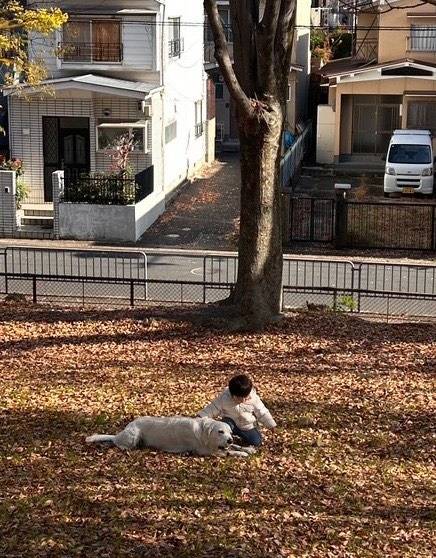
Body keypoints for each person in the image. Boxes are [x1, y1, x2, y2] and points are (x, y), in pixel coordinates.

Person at [197, 374, 276, 447]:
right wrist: (201, 416)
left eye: (246, 397)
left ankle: (240, 436)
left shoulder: (254, 399)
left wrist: (271, 424)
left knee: (256, 441)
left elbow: (262, 412)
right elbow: (213, 407)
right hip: (230, 423)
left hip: (246, 426)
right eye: (239, 398)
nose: (243, 400)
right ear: (232, 394)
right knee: (226, 424)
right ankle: (228, 438)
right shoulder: (225, 398)